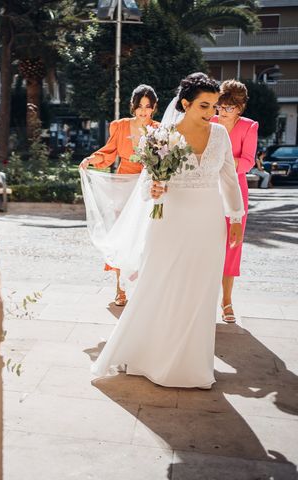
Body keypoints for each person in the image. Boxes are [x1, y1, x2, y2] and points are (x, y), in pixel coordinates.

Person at [91, 73, 244, 389]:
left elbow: (228, 177)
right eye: (204, 105)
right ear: (186, 104)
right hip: (170, 222)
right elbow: (147, 184)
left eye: (214, 106)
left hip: (209, 222)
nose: (210, 112)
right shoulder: (163, 134)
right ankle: (149, 357)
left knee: (201, 292)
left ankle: (192, 366)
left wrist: (236, 217)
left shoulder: (219, 135)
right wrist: (156, 188)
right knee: (161, 286)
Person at [79, 85, 159, 307]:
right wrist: (90, 160)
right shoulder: (121, 126)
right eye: (139, 106)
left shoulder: (160, 130)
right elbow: (108, 152)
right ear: (132, 106)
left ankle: (143, 290)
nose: (143, 111)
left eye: (148, 107)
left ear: (154, 108)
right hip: (123, 187)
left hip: (147, 190)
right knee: (123, 239)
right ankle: (120, 289)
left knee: (145, 239)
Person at [211, 80, 258, 323]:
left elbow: (249, 161)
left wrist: (224, 163)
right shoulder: (209, 122)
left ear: (240, 107)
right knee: (207, 243)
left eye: (230, 107)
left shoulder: (249, 127)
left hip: (235, 190)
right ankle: (205, 299)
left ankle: (227, 301)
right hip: (208, 189)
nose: (224, 112)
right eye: (221, 106)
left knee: (232, 246)